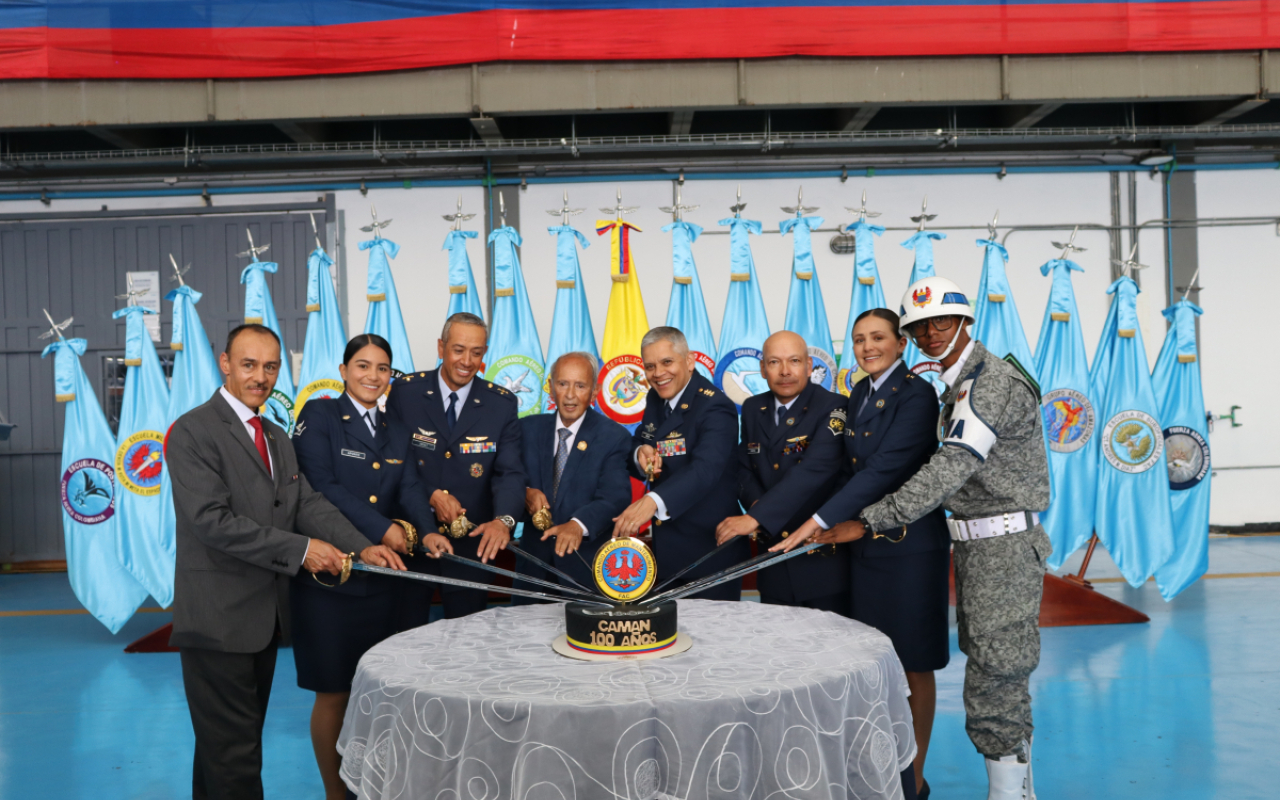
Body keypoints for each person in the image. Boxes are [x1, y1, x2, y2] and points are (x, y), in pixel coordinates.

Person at [778, 278, 1051, 800]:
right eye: (919, 326)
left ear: (965, 323)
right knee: (994, 668)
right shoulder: (957, 383)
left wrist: (872, 519)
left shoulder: (986, 383)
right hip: (976, 545)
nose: (929, 334)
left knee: (997, 674)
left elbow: (949, 467)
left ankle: (1009, 794)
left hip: (1003, 547)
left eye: (940, 323)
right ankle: (1017, 787)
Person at [167, 323, 405, 800]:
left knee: (226, 746)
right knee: (234, 755)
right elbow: (212, 521)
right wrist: (302, 551)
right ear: (225, 363)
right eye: (249, 364)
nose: (261, 376)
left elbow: (307, 504)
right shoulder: (193, 431)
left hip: (263, 616)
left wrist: (360, 546)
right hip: (218, 620)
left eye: (270, 366)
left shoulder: (274, 434)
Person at [776, 309, 951, 800]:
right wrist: (815, 521)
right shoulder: (859, 393)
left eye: (877, 338)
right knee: (878, 665)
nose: (867, 347)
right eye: (858, 340)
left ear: (901, 343)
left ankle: (914, 782)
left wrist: (818, 521)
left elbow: (884, 471)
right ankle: (882, 770)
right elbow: (845, 470)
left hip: (909, 548)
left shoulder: (917, 394)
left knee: (914, 665)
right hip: (864, 545)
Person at [289, 334, 449, 800]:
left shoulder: (397, 429)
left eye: (382, 369)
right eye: (362, 366)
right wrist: (378, 533)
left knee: (386, 693)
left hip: (387, 582)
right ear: (343, 370)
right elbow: (321, 489)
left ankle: (379, 786)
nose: (372, 377)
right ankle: (336, 794)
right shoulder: (319, 417)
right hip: (332, 578)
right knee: (335, 692)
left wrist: (428, 529)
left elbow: (411, 489)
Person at [386, 312, 526, 618]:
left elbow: (509, 474)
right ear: (441, 347)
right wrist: (431, 495)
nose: (467, 360)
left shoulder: (500, 403)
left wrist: (504, 520)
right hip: (411, 539)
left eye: (476, 352)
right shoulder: (405, 393)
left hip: (470, 548)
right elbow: (391, 464)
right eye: (459, 350)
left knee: (468, 646)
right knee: (405, 639)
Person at [714, 330, 850, 613]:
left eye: (795, 361)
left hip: (819, 557)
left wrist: (754, 517)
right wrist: (756, 506)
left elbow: (813, 471)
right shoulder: (753, 407)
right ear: (762, 369)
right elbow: (744, 467)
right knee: (780, 648)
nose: (785, 371)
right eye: (775, 362)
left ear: (810, 365)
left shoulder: (834, 407)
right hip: (772, 555)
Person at [611, 326, 746, 600]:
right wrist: (640, 453)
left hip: (709, 555)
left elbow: (705, 470)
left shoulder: (715, 407)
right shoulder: (656, 396)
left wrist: (651, 502)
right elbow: (642, 438)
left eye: (667, 362)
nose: (658, 373)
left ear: (689, 361)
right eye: (649, 366)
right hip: (667, 555)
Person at [515, 352, 632, 596]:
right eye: (562, 384)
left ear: (595, 391)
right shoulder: (526, 430)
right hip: (532, 572)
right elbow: (504, 478)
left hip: (585, 571)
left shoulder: (613, 436)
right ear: (550, 387)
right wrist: (524, 493)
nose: (570, 395)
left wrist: (578, 524)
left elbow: (615, 496)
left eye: (580, 386)